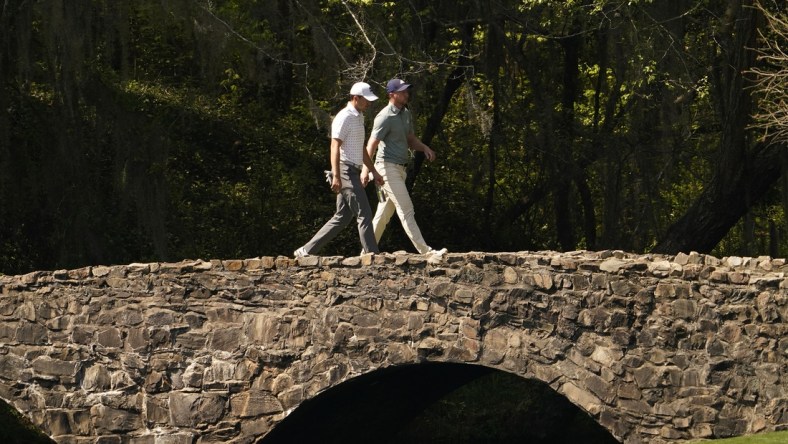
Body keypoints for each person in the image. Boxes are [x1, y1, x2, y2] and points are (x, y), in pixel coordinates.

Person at [293, 82, 384, 257]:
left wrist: (373, 171)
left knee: (342, 217)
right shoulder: (344, 117)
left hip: (352, 171)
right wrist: (336, 175)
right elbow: (335, 146)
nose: (369, 103)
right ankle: (372, 255)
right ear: (355, 98)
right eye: (366, 100)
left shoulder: (358, 116)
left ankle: (305, 250)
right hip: (345, 171)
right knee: (364, 213)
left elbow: (361, 149)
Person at [361, 78, 447, 258]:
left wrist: (424, 148)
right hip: (386, 168)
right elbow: (371, 144)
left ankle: (365, 254)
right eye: (402, 92)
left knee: (383, 214)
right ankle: (427, 252)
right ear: (391, 94)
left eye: (407, 91)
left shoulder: (405, 114)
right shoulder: (384, 116)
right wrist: (365, 170)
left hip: (400, 170)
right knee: (407, 209)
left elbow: (410, 139)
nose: (406, 94)